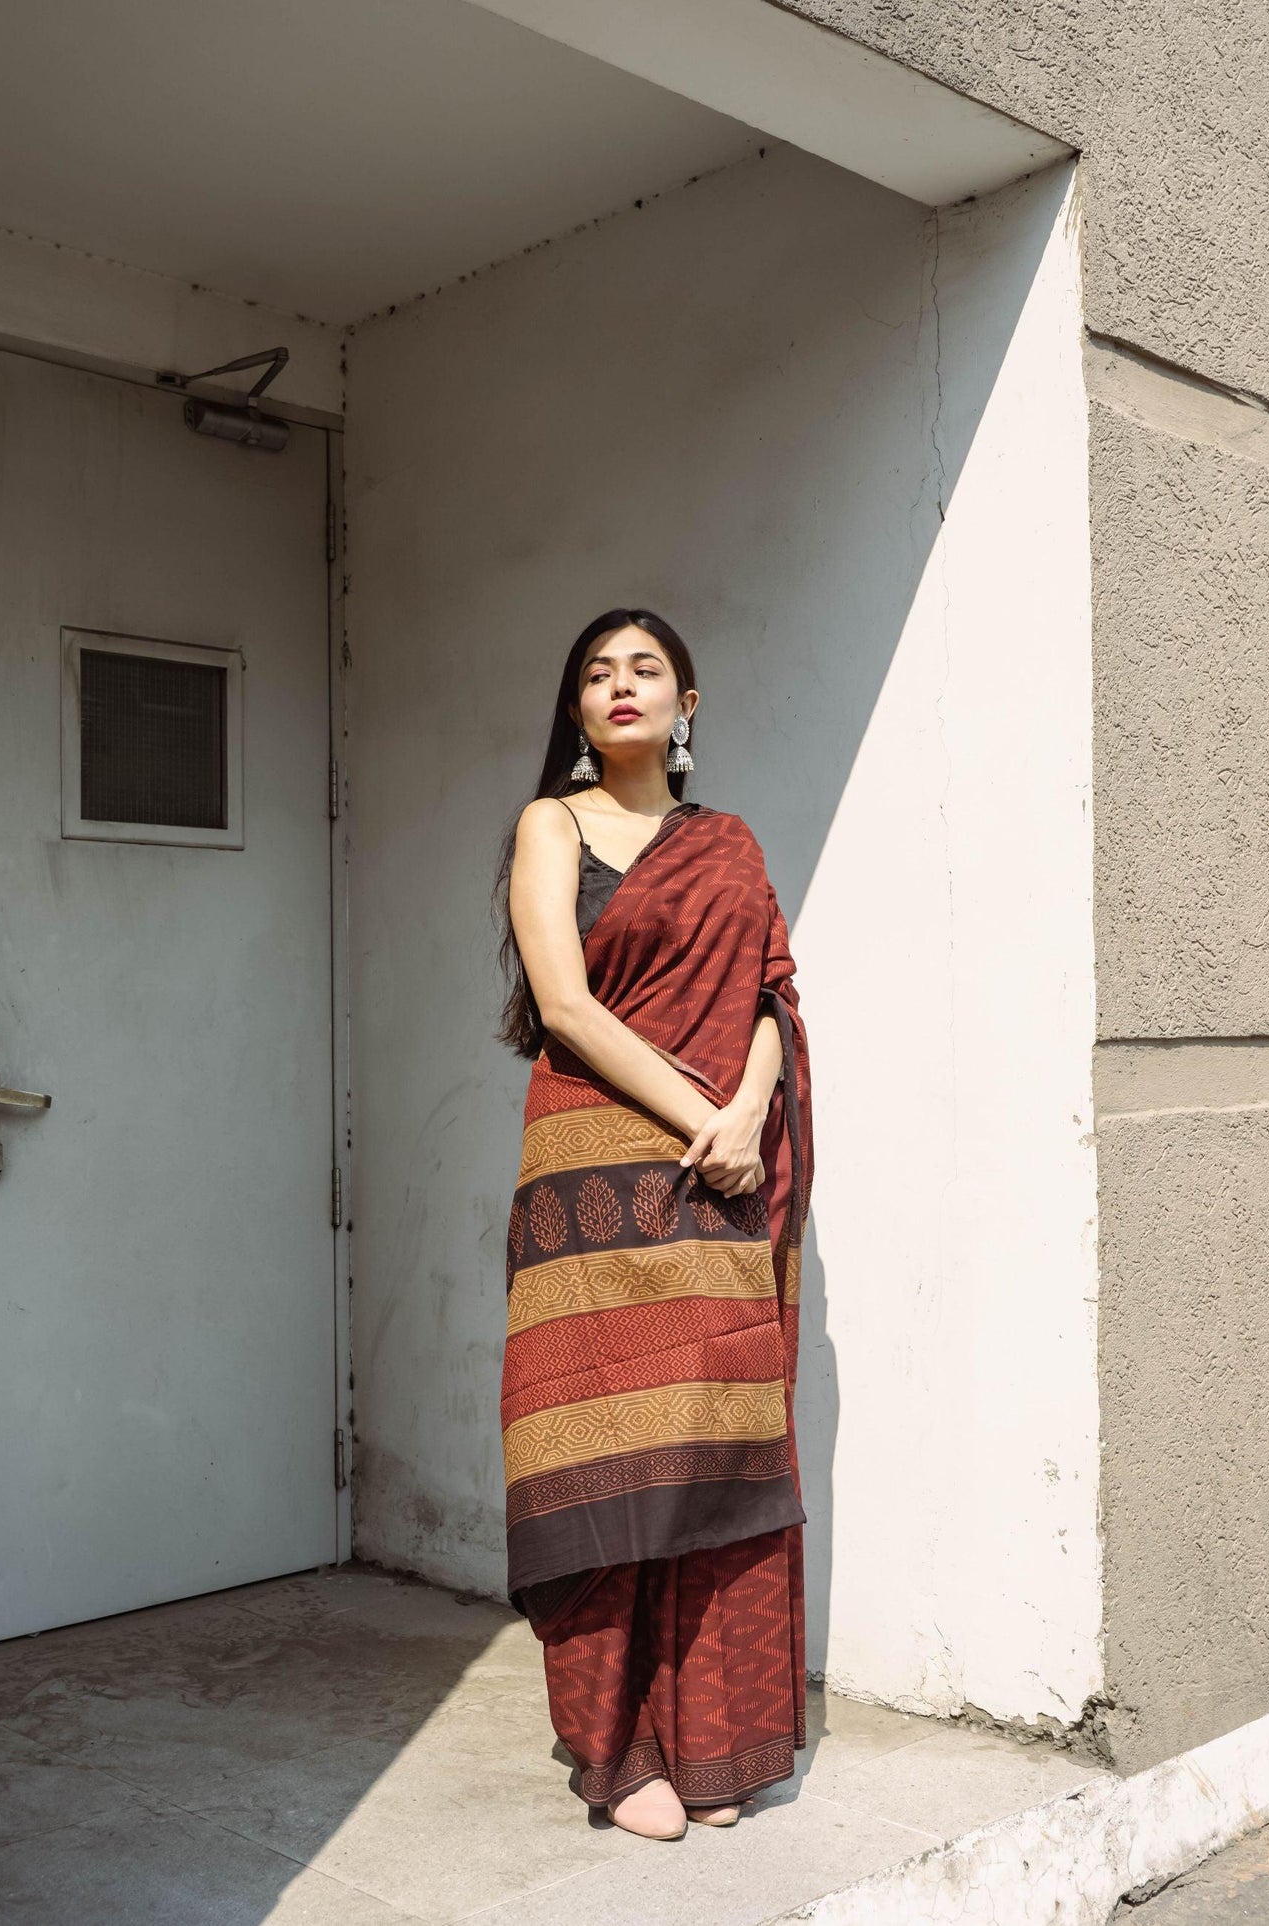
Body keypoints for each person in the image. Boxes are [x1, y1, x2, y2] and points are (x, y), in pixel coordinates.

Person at [491, 608, 815, 1840]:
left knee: (709, 1453)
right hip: (592, 1173)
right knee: (596, 1448)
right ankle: (616, 1751)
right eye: (595, 672)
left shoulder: (726, 842)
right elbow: (566, 1007)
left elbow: (773, 993)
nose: (618, 685)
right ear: (576, 708)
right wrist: (702, 1115)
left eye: (643, 669)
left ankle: (709, 1742)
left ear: (687, 703)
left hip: (717, 1172)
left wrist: (749, 1110)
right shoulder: (552, 826)